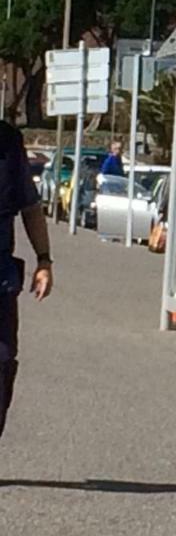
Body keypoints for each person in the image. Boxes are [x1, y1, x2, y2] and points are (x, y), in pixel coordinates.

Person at [0, 120, 53, 442]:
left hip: (0, 279)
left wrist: (44, 260)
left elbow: (30, 207)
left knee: (3, 364)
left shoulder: (8, 141)